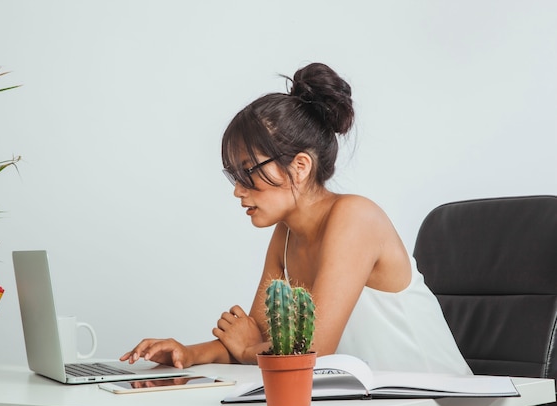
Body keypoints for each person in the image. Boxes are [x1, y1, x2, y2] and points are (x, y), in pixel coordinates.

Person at [120, 63, 472, 375]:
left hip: (437, 400)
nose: (238, 191)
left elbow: (312, 350)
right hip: (369, 404)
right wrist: (187, 353)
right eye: (233, 176)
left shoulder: (355, 217)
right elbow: (256, 334)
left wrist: (246, 349)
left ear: (300, 167)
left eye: (248, 172)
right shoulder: (285, 235)